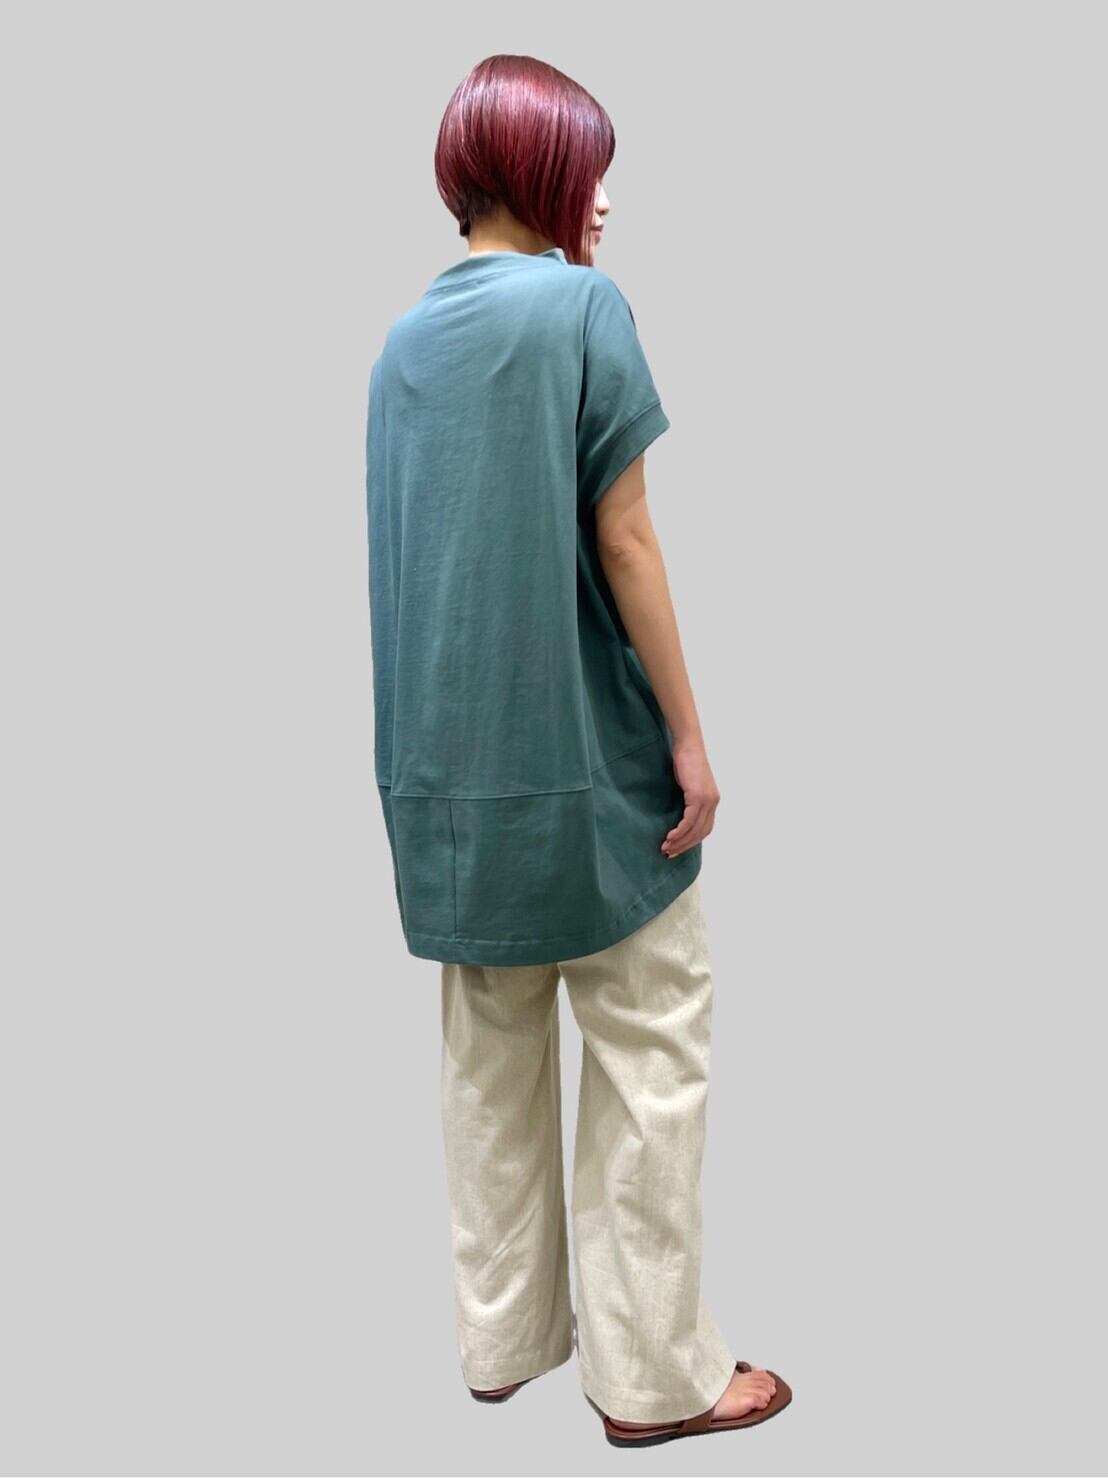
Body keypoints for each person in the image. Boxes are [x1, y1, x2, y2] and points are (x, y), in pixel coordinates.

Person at [364, 53, 792, 1448]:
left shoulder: (399, 347)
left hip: (446, 787)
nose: (604, 200)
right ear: (539, 166)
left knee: (488, 1065)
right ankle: (656, 1379)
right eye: (591, 169)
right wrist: (690, 739)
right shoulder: (583, 308)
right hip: (587, 775)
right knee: (650, 1055)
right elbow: (626, 539)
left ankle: (502, 1342)